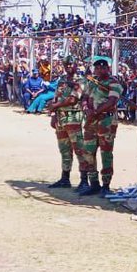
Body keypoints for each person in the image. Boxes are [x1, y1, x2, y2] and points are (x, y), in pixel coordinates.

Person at [77, 57, 124, 196]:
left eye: (102, 68)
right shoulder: (91, 82)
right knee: (88, 152)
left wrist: (95, 112)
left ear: (107, 69)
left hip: (106, 121)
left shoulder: (113, 83)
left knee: (106, 153)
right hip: (91, 122)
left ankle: (106, 185)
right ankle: (94, 183)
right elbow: (84, 98)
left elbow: (112, 101)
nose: (99, 70)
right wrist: (86, 109)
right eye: (97, 68)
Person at [45, 55, 83, 188]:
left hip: (74, 117)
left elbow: (73, 99)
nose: (69, 67)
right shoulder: (62, 80)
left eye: (71, 64)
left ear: (76, 65)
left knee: (79, 149)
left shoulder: (81, 79)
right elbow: (56, 97)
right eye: (66, 65)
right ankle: (65, 178)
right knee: (64, 149)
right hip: (61, 118)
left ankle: (84, 180)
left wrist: (55, 106)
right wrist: (54, 115)